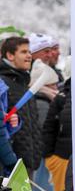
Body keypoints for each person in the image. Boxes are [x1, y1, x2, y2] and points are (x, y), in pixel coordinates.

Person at [0, 37, 43, 173]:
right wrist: (11, 160)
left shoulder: (23, 83)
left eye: (30, 52)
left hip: (28, 163)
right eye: (24, 52)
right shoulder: (3, 83)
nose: (29, 56)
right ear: (10, 55)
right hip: (10, 166)